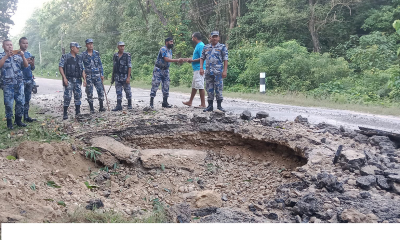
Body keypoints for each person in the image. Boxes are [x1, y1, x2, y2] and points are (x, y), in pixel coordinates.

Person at [0, 39, 29, 129]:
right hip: (8, 84)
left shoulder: (17, 55)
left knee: (20, 102)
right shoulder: (1, 56)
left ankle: (18, 120)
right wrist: (6, 56)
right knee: (9, 104)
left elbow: (26, 65)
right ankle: (9, 123)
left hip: (19, 83)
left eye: (11, 45)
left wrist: (23, 56)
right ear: (3, 46)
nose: (10, 46)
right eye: (7, 45)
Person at [150, 37, 183, 108]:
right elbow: (166, 59)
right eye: (171, 42)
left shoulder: (170, 51)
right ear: (166, 42)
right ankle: (151, 102)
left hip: (166, 70)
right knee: (155, 85)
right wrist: (177, 60)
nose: (172, 43)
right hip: (158, 70)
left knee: (166, 86)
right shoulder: (163, 49)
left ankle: (165, 102)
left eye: (172, 42)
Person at [200, 31, 228, 112]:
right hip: (208, 72)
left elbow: (225, 59)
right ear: (210, 38)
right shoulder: (206, 47)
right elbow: (202, 58)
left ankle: (219, 106)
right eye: (213, 36)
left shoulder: (222, 47)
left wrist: (225, 71)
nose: (215, 38)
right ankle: (210, 106)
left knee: (218, 89)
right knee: (209, 89)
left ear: (218, 38)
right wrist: (201, 68)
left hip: (218, 72)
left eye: (216, 36)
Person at [59, 42, 86, 120]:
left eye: (78, 48)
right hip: (69, 79)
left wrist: (85, 79)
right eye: (77, 48)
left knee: (78, 96)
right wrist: (64, 78)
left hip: (78, 79)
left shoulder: (79, 58)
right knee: (67, 96)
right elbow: (60, 67)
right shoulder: (65, 57)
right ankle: (65, 113)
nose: (78, 49)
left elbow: (82, 69)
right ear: (72, 48)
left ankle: (78, 112)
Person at [182, 32, 206, 108]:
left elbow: (202, 57)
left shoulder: (201, 45)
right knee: (194, 86)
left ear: (195, 37)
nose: (192, 39)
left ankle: (203, 104)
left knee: (200, 86)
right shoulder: (198, 46)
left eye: (192, 37)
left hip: (200, 68)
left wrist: (192, 61)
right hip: (196, 68)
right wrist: (191, 60)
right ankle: (190, 101)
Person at [81, 39, 106, 113]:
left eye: (91, 44)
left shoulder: (96, 53)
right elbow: (81, 65)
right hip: (88, 75)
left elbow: (100, 64)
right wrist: (83, 75)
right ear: (86, 45)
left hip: (97, 75)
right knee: (89, 92)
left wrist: (102, 74)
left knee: (100, 91)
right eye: (89, 44)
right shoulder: (83, 54)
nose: (90, 45)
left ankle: (101, 107)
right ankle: (91, 108)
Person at [19, 37, 37, 122]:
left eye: (26, 43)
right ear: (20, 44)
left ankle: (26, 116)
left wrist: (32, 64)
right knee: (20, 100)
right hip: (21, 79)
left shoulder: (29, 54)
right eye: (23, 43)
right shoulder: (17, 54)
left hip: (29, 79)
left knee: (27, 98)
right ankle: (18, 119)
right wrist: (24, 62)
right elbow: (16, 67)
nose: (25, 45)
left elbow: (32, 68)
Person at [111, 41, 132, 111]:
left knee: (128, 91)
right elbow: (114, 66)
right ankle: (119, 105)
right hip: (117, 76)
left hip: (125, 76)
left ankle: (129, 104)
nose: (122, 47)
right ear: (118, 47)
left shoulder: (127, 55)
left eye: (123, 46)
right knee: (118, 92)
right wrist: (113, 77)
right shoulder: (115, 55)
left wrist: (128, 77)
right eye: (120, 46)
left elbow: (129, 67)